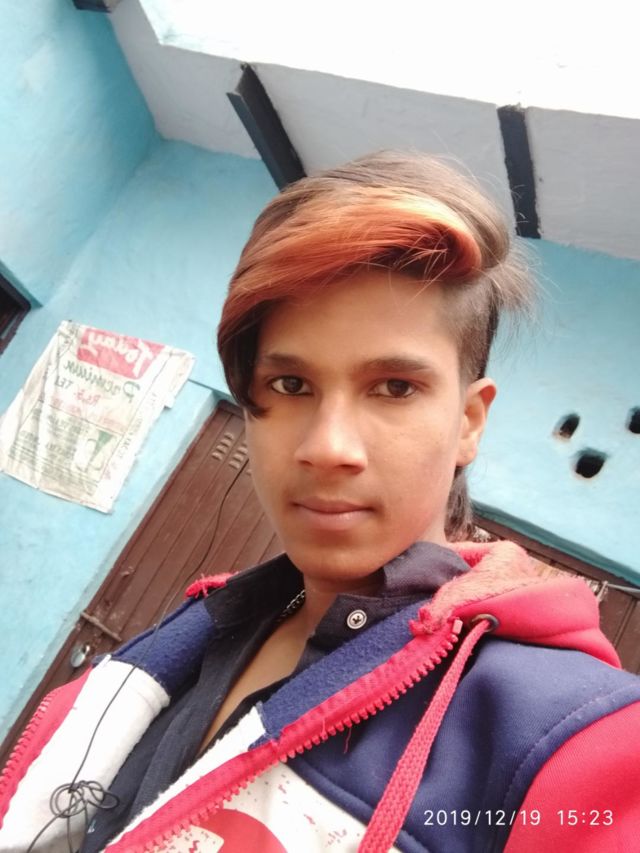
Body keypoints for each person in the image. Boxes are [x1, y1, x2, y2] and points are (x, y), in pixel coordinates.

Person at [1, 152, 639, 853]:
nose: (328, 447)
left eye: (394, 387)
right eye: (291, 385)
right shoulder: (188, 639)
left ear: (468, 421)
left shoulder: (562, 735)